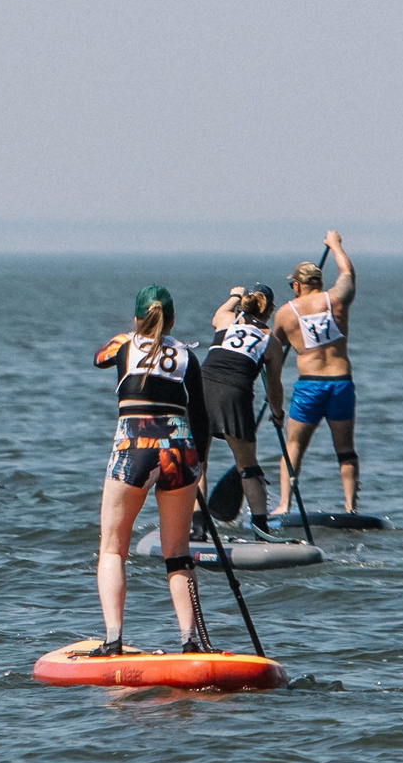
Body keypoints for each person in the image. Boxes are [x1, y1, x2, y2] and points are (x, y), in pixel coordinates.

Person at [91, 286, 213, 653]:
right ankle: (190, 642)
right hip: (181, 449)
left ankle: (113, 640)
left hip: (135, 447)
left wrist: (129, 334)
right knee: (177, 553)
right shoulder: (187, 356)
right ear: (172, 319)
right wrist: (200, 463)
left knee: (113, 549)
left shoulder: (123, 346)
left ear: (136, 319)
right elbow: (202, 417)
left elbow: (98, 358)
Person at [278, 230, 361, 517]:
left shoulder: (285, 313)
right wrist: (336, 245)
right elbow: (347, 272)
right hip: (340, 383)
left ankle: (284, 504)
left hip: (310, 385)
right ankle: (351, 507)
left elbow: (271, 351)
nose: (292, 288)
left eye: (293, 284)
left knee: (294, 445)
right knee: (345, 450)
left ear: (299, 285)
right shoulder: (337, 299)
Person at [204, 284, 288, 529]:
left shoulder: (225, 320)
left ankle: (199, 527)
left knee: (198, 462)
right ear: (269, 311)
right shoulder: (270, 341)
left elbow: (218, 313)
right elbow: (275, 388)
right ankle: (261, 529)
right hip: (235, 392)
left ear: (243, 303)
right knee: (248, 466)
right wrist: (277, 413)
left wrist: (233, 296)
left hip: (202, 386)